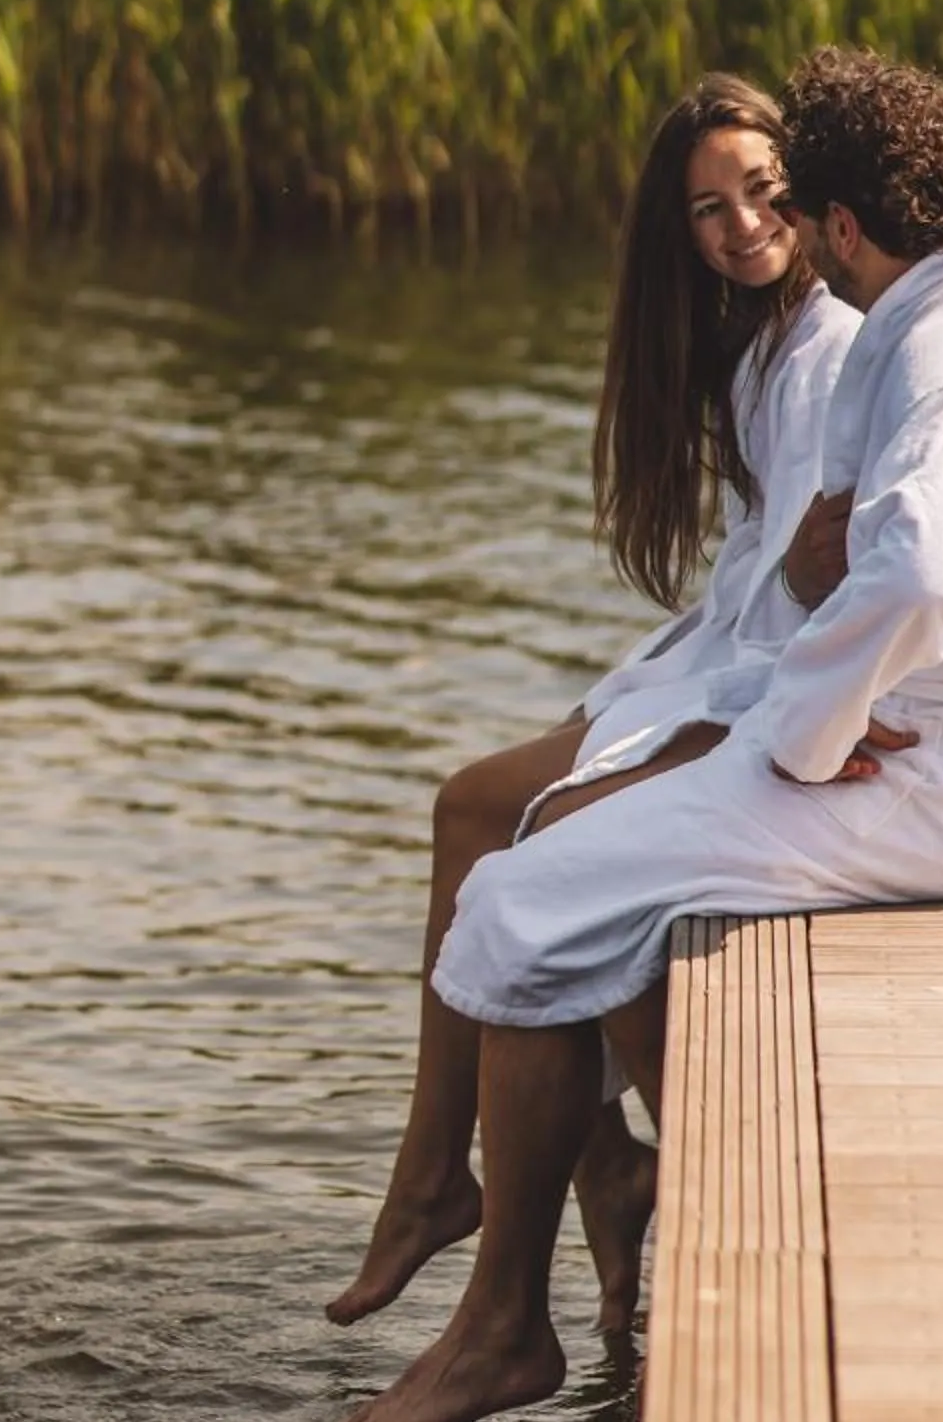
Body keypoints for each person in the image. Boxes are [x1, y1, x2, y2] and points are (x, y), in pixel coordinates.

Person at [325, 45, 943, 1422]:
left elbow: (924, 562)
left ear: (845, 224)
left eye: (795, 206)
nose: (784, 240)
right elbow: (874, 564)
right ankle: (553, 1242)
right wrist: (819, 685)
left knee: (526, 889)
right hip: (929, 752)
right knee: (540, 880)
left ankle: (509, 1317)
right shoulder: (937, 329)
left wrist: (803, 735)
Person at [326, 73, 860, 1335]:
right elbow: (771, 566)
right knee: (475, 813)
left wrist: (775, 598)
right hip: (725, 661)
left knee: (506, 818)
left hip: (768, 690)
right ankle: (577, 1168)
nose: (740, 225)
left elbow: (817, 578)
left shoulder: (829, 348)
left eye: (761, 190)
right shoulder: (760, 351)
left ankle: (434, 1187)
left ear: (807, 188)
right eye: (706, 208)